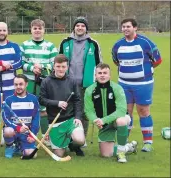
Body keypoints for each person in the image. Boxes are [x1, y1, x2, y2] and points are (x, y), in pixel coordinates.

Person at [112, 18, 162, 152]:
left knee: (143, 111)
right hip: (124, 84)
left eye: (128, 26)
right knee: (126, 112)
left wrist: (145, 72)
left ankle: (148, 142)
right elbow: (117, 61)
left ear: (135, 28)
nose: (125, 29)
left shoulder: (145, 43)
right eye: (123, 27)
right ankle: (124, 142)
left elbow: (157, 60)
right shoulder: (118, 45)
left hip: (143, 84)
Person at [84, 63, 137, 163]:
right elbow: (89, 110)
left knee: (121, 121)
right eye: (99, 73)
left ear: (109, 75)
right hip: (104, 124)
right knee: (106, 154)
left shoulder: (117, 88)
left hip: (119, 119)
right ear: (95, 75)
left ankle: (121, 153)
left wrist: (103, 120)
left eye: (105, 73)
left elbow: (121, 110)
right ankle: (129, 147)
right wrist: (96, 120)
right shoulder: (89, 90)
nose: (102, 75)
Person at [59, 17, 101, 137]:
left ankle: (82, 137)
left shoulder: (93, 44)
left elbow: (99, 64)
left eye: (83, 26)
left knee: (83, 112)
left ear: (86, 29)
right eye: (78, 25)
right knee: (66, 110)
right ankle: (66, 137)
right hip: (66, 83)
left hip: (86, 84)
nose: (80, 28)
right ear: (74, 27)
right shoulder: (65, 42)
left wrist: (97, 81)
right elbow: (58, 62)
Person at [39, 55, 85, 157]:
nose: (61, 69)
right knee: (59, 154)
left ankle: (73, 144)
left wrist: (77, 117)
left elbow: (78, 100)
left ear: (67, 67)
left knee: (80, 140)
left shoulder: (72, 81)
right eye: (58, 66)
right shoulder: (46, 81)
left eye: (63, 66)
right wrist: (57, 103)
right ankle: (66, 142)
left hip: (70, 119)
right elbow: (41, 100)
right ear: (53, 66)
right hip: (55, 121)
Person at [21, 19, 57, 138]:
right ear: (31, 30)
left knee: (43, 109)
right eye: (35, 28)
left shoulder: (50, 46)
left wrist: (42, 67)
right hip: (29, 82)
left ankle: (45, 136)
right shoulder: (25, 45)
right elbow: (20, 63)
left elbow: (54, 64)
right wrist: (32, 68)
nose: (37, 31)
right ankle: (28, 134)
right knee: (28, 108)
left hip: (44, 82)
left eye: (39, 28)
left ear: (44, 30)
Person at [2, 74, 40, 159]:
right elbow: (5, 118)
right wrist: (18, 128)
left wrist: (32, 134)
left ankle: (19, 147)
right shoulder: (9, 100)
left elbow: (36, 119)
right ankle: (10, 146)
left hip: (27, 133)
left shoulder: (33, 99)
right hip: (14, 131)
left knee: (31, 155)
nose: (18, 87)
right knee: (8, 131)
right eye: (16, 84)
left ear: (26, 84)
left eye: (21, 84)